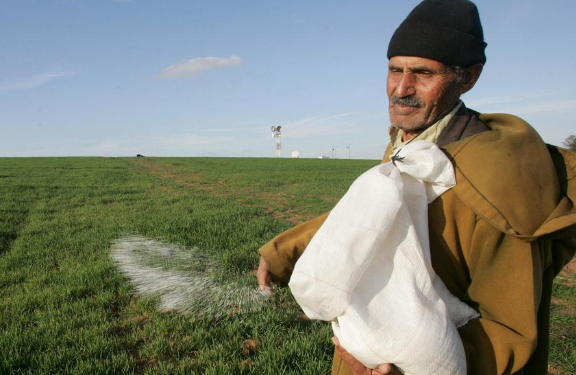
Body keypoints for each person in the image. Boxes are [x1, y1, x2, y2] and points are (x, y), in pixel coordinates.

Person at [256, 0, 576, 374]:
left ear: (468, 77)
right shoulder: (413, 145)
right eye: (394, 70)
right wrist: (284, 252)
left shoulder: (500, 186)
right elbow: (375, 215)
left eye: (422, 73)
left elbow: (510, 331)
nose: (401, 88)